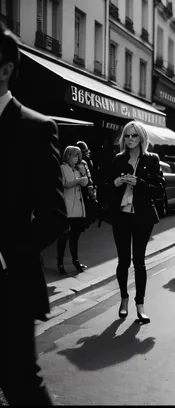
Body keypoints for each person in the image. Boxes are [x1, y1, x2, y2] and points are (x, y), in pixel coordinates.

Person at [0, 24, 68, 404]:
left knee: (20, 385)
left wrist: (5, 256)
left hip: (8, 286)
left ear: (5, 69)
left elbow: (54, 216)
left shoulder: (35, 129)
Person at [104, 120, 165, 324]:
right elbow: (105, 186)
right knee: (124, 261)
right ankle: (124, 298)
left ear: (141, 137)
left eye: (134, 135)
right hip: (121, 215)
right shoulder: (118, 160)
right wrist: (116, 182)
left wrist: (139, 183)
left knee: (139, 260)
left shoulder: (152, 159)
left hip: (143, 216)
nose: (130, 139)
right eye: (127, 136)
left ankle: (140, 304)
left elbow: (159, 189)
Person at [57, 145, 89, 275]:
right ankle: (60, 262)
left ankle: (75, 261)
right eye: (75, 155)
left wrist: (83, 174)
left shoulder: (78, 169)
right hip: (67, 206)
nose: (77, 158)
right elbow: (64, 183)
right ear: (68, 155)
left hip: (78, 207)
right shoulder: (62, 168)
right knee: (64, 236)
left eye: (78, 156)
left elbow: (86, 183)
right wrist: (78, 181)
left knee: (75, 236)